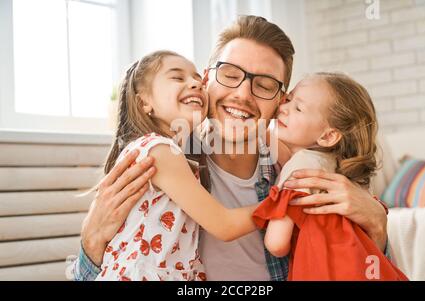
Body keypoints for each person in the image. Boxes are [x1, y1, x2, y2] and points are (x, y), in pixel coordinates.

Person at [73, 16, 389, 281]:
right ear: (206, 79)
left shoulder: (302, 168)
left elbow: (361, 266)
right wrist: (91, 243)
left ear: (282, 101)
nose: (242, 94)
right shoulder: (160, 162)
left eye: (264, 84)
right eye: (229, 74)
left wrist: (377, 227)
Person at [94, 50, 264, 281]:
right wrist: (281, 202)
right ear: (144, 101)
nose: (195, 83)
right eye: (177, 77)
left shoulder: (169, 151)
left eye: (197, 78)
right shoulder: (160, 151)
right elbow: (224, 225)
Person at [252, 73, 407, 280]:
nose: (283, 107)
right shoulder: (349, 176)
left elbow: (276, 244)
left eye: (298, 108)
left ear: (328, 136)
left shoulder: (301, 167)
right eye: (288, 100)